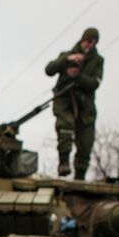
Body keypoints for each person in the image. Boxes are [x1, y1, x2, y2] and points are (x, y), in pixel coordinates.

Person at [45, 27, 104, 180]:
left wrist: (78, 76)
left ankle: (80, 176)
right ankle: (63, 162)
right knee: (65, 127)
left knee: (85, 141)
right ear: (82, 40)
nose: (89, 45)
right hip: (65, 100)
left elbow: (94, 83)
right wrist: (68, 61)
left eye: (93, 42)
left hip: (85, 105)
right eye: (87, 41)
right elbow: (49, 69)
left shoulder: (97, 61)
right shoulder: (67, 55)